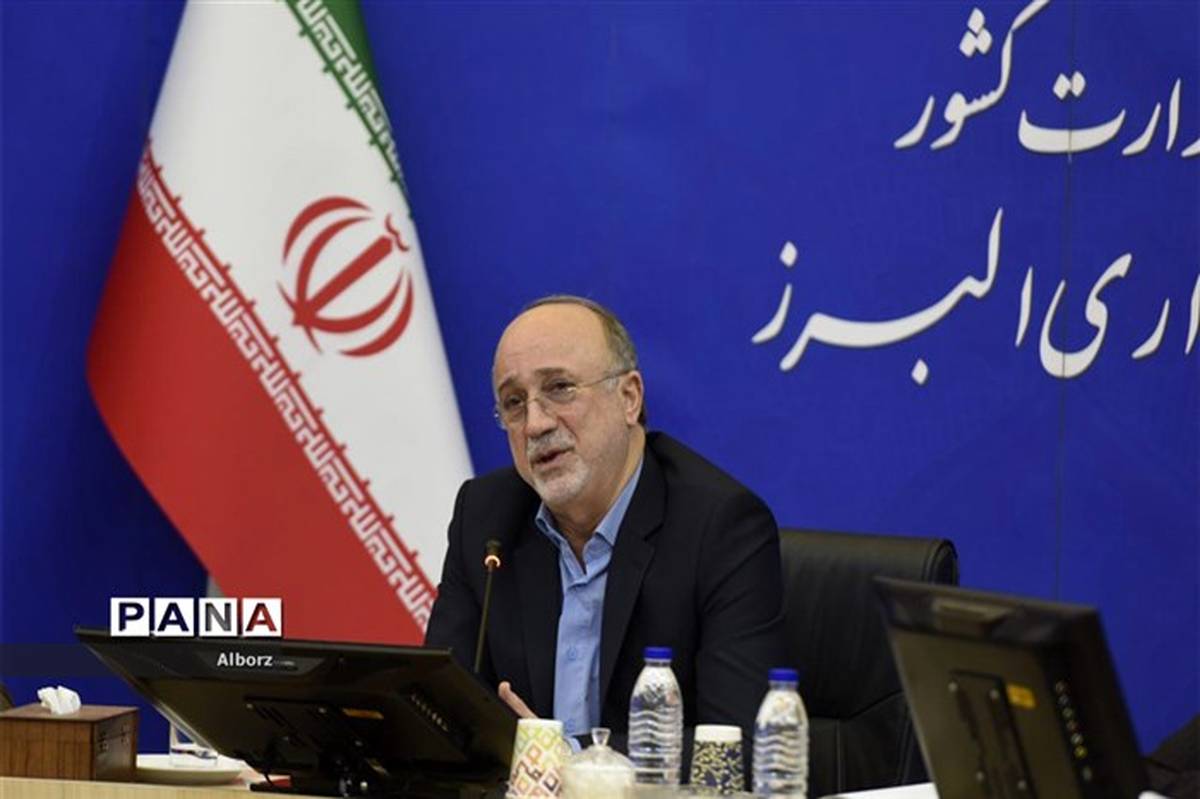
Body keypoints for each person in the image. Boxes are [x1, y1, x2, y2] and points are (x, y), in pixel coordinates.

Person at [425, 295, 785, 751]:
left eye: (559, 388)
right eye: (514, 403)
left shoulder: (721, 527)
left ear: (629, 398)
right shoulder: (485, 516)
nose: (535, 424)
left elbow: (736, 746)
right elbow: (434, 713)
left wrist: (567, 758)